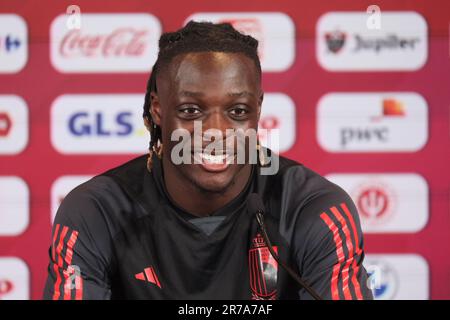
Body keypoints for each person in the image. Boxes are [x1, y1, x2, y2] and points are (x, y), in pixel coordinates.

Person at [43, 21, 373, 300]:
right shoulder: (95, 210)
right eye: (191, 111)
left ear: (258, 110)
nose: (216, 132)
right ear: (158, 110)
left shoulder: (315, 208)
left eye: (238, 112)